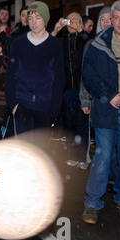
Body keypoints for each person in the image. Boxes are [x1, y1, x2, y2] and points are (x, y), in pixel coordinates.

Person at [81, 0, 120, 225]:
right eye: (116, 18)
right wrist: (110, 94)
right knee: (103, 156)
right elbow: (89, 75)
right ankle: (92, 201)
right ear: (111, 19)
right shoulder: (98, 43)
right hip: (106, 109)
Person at [6, 1, 65, 149]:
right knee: (23, 150)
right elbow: (11, 74)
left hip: (45, 107)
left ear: (45, 19)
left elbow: (59, 78)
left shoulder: (54, 45)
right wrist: (13, 104)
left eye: (38, 17)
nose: (33, 22)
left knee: (40, 152)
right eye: (30, 18)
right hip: (22, 105)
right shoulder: (18, 43)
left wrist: (54, 110)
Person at [51, 12, 91, 169]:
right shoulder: (61, 39)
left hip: (82, 89)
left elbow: (90, 41)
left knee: (82, 124)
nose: (71, 23)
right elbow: (47, 45)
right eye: (69, 21)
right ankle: (72, 155)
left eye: (75, 21)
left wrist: (80, 31)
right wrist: (56, 29)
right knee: (69, 124)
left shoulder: (84, 39)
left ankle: (82, 157)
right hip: (66, 89)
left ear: (80, 23)